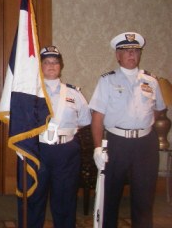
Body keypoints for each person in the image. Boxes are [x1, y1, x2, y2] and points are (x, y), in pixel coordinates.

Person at [89, 32, 166, 228]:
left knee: (144, 197)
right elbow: (97, 117)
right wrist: (98, 148)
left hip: (145, 145)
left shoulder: (152, 81)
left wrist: (140, 124)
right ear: (118, 55)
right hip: (117, 143)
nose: (131, 54)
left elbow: (158, 109)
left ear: (139, 54)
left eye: (135, 50)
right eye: (126, 51)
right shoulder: (107, 81)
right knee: (111, 197)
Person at [24, 46, 91, 228]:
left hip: (66, 152)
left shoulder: (74, 94)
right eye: (46, 62)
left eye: (55, 62)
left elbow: (84, 121)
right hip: (38, 149)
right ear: (41, 66)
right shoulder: (30, 93)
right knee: (35, 197)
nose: (51, 65)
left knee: (65, 199)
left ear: (61, 66)